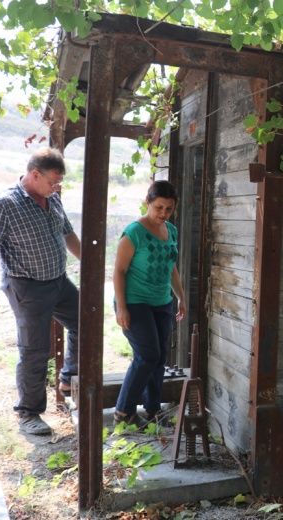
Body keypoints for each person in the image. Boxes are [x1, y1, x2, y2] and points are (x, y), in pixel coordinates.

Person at [0, 147, 81, 435]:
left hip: (58, 281)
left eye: (59, 183)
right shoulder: (5, 204)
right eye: (52, 182)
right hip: (27, 287)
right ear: (34, 175)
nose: (56, 187)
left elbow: (68, 234)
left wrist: (90, 262)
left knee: (86, 319)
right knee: (35, 349)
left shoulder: (52, 199)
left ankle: (70, 376)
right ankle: (28, 413)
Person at [113, 180, 186, 426]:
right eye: (158, 208)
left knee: (160, 356)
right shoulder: (134, 232)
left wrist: (181, 296)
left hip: (161, 301)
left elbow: (171, 267)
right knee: (147, 355)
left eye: (168, 208)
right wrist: (121, 306)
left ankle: (153, 409)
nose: (163, 213)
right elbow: (119, 271)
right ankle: (124, 411)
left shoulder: (171, 231)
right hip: (134, 302)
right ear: (148, 203)